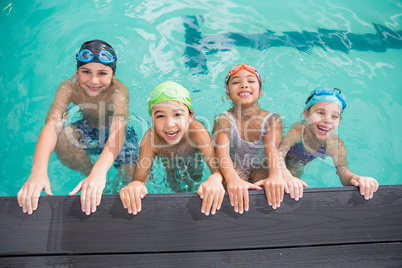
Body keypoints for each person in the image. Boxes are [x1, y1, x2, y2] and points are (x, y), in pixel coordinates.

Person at [17, 40, 138, 215]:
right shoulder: (68, 88)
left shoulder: (119, 91)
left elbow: (119, 128)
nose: (94, 80)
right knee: (64, 136)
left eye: (102, 73)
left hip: (115, 132)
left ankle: (112, 185)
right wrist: (38, 171)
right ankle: (90, 178)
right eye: (86, 72)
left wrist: (101, 170)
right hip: (87, 128)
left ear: (112, 75)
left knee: (129, 175)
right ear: (77, 72)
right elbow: (53, 124)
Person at [120, 81, 225, 216]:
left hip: (192, 155)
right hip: (168, 159)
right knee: (173, 185)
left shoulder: (197, 131)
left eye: (177, 114)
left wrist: (215, 178)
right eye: (160, 116)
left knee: (196, 177)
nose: (169, 124)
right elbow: (140, 178)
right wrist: (136, 185)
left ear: (190, 116)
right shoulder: (151, 139)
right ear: (152, 120)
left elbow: (217, 169)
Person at [279, 87, 379, 201]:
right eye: (320, 113)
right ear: (306, 115)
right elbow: (278, 153)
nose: (327, 120)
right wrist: (285, 173)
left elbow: (343, 172)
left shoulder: (335, 145)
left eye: (334, 116)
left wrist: (356, 178)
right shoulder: (297, 132)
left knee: (294, 183)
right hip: (285, 156)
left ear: (339, 121)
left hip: (301, 161)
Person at [213, 64, 285, 214]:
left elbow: (272, 149)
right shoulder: (224, 119)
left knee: (265, 182)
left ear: (260, 92)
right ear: (228, 94)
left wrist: (275, 175)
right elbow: (222, 153)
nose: (244, 84)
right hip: (236, 165)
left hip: (261, 165)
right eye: (236, 82)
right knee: (235, 184)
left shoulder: (272, 119)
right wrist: (232, 179)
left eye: (251, 81)